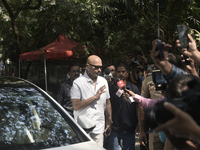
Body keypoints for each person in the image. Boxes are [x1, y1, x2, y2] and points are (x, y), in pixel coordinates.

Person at [70, 55, 112, 147]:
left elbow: (107, 102)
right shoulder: (78, 83)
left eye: (100, 67)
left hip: (99, 127)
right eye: (95, 67)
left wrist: (109, 121)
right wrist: (95, 97)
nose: (99, 70)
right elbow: (76, 106)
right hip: (83, 129)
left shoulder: (103, 81)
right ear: (87, 66)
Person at [108, 62, 142, 150]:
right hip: (115, 126)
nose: (121, 74)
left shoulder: (133, 88)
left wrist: (139, 123)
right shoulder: (111, 88)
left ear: (127, 72)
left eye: (123, 72)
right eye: (118, 72)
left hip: (129, 126)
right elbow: (108, 105)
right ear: (115, 73)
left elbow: (138, 106)